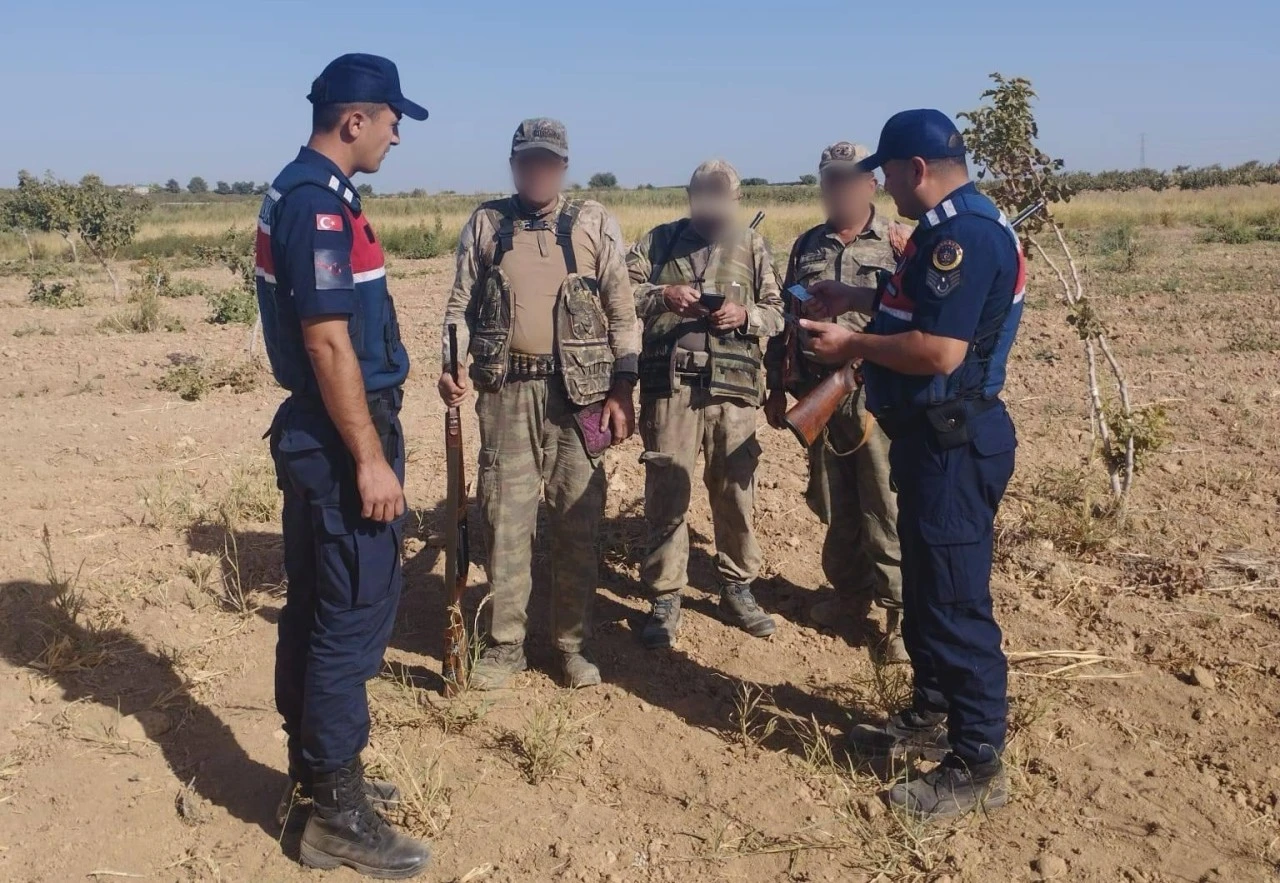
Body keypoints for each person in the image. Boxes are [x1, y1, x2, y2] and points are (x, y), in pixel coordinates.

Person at [799, 109, 1025, 820]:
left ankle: (977, 760)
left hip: (955, 442)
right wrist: (860, 299)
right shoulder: (942, 231)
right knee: (927, 591)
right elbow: (917, 309)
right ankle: (930, 716)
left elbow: (939, 351)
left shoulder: (966, 235)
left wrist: (853, 346)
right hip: (929, 442)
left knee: (956, 604)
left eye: (887, 174)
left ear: (915, 170)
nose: (884, 187)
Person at [256, 54, 431, 876]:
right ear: (352, 120)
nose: (398, 132)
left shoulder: (311, 195)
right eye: (392, 118)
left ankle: (321, 778)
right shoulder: (316, 207)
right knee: (350, 617)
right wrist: (369, 457)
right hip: (337, 441)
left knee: (320, 607)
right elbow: (329, 342)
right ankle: (335, 813)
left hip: (324, 434)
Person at [438, 118, 639, 690]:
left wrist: (622, 389)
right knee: (505, 519)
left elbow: (623, 316)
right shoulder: (487, 223)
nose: (537, 171)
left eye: (548, 162)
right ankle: (506, 645)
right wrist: (449, 364)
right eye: (527, 161)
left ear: (564, 166)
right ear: (513, 163)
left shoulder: (595, 222)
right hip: (506, 395)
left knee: (577, 522)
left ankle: (572, 646)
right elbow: (458, 306)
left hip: (582, 398)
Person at [627, 160, 785, 649]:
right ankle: (665, 595)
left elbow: (780, 313)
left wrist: (745, 314)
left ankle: (737, 587)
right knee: (667, 491)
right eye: (704, 203)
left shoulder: (752, 246)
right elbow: (620, 293)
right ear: (690, 198)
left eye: (722, 205)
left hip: (734, 393)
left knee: (735, 492)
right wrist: (663, 294)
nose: (712, 214)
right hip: (670, 390)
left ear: (735, 202)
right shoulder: (657, 242)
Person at [763, 141, 909, 664]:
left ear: (871, 184)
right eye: (829, 179)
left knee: (885, 505)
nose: (838, 188)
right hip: (818, 394)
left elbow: (914, 320)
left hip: (875, 395)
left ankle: (897, 617)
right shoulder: (807, 245)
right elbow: (786, 318)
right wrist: (776, 385)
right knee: (835, 501)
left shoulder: (899, 242)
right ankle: (850, 598)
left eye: (849, 178)